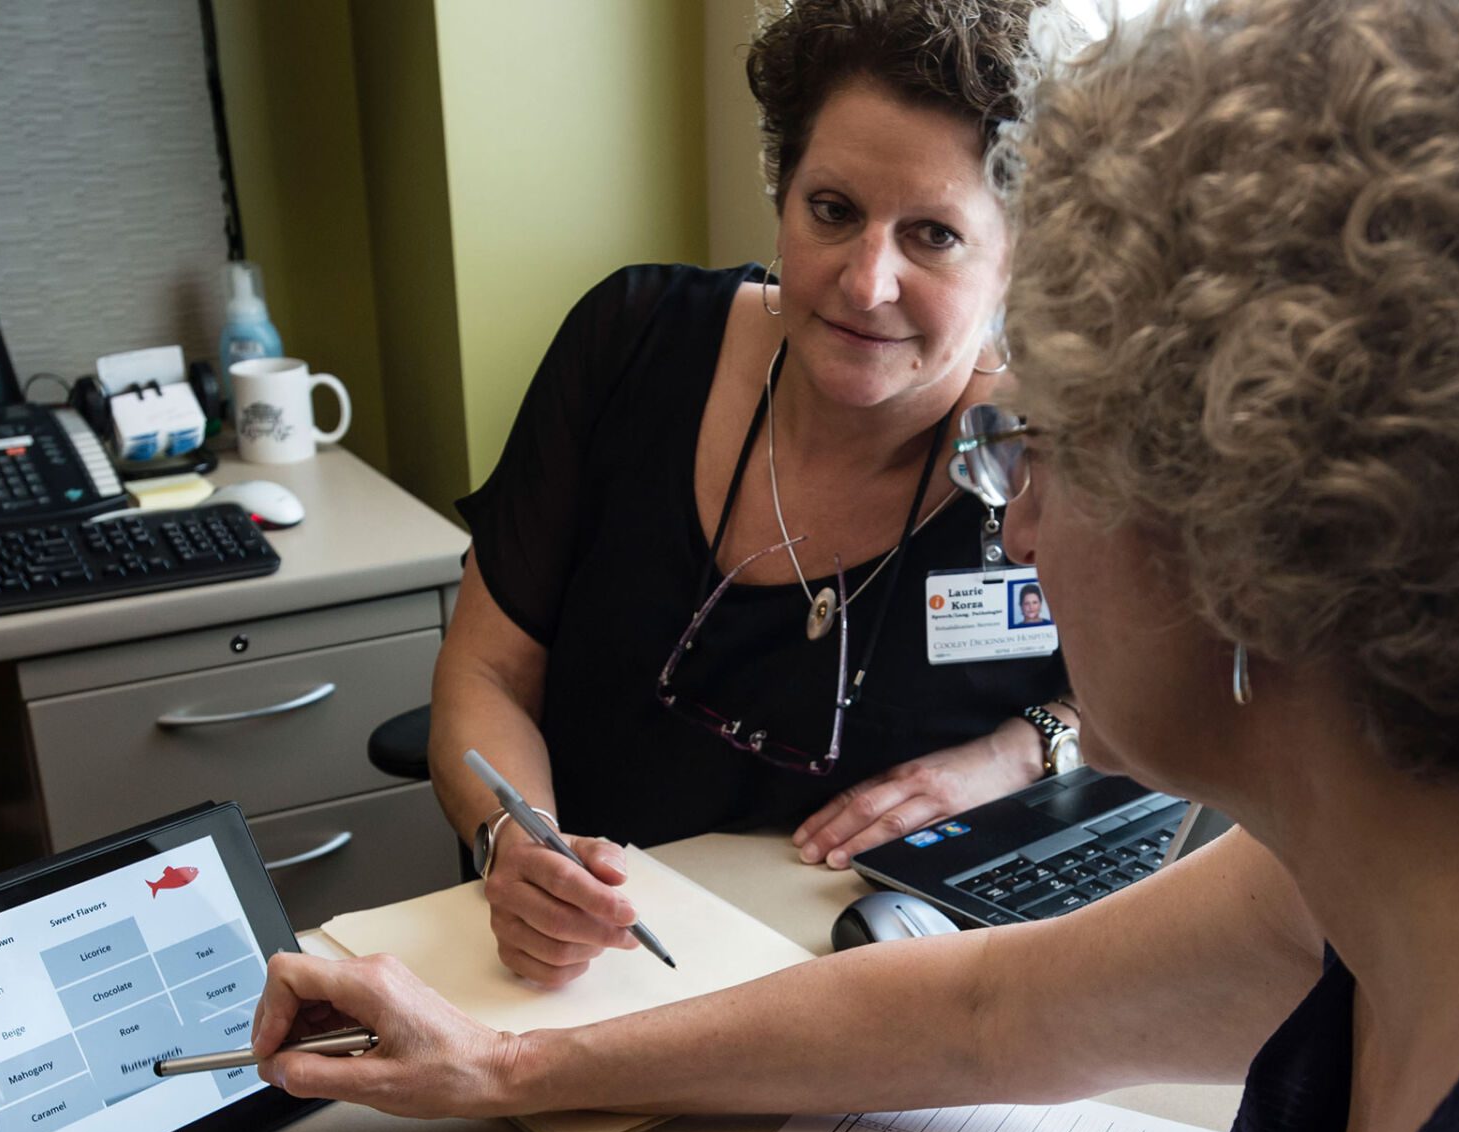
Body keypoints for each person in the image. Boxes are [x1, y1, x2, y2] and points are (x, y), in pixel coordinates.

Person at [258, 0, 1459, 1132]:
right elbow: (972, 1020)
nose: (1015, 509)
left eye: (1049, 442)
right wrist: (499, 1061)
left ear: (1265, 534)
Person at [429, 0, 1084, 988]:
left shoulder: (1055, 449)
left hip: (876, 992)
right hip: (590, 968)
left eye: (934, 236)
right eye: (832, 211)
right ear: (781, 191)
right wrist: (515, 847)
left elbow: (1159, 706)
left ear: (1018, 257)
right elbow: (483, 677)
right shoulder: (630, 343)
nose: (866, 282)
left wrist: (1016, 750)